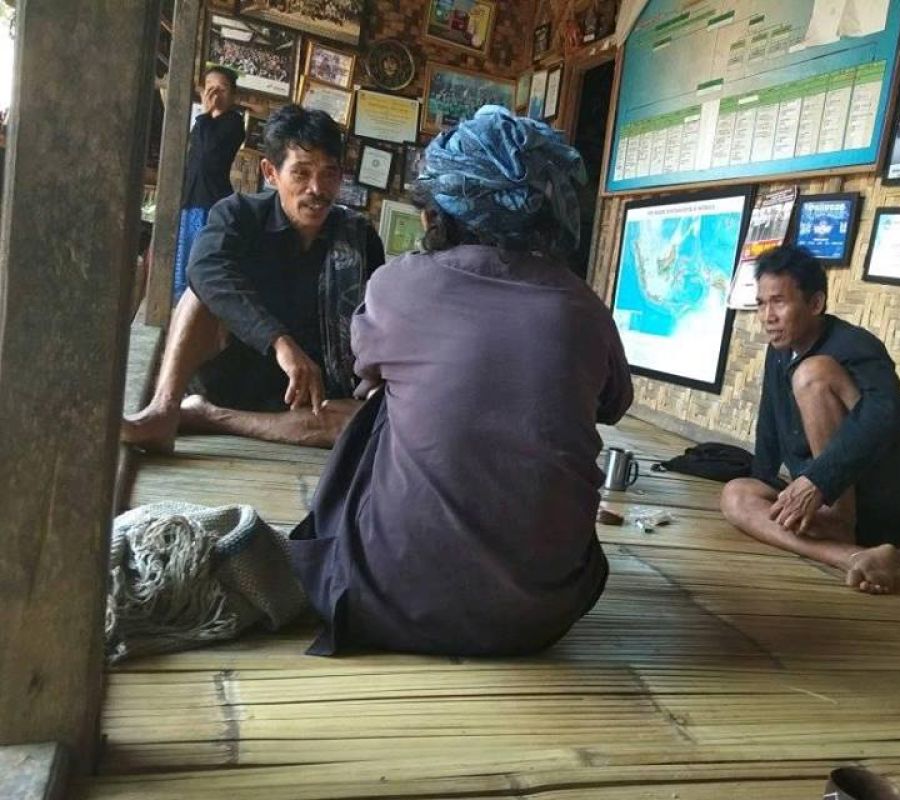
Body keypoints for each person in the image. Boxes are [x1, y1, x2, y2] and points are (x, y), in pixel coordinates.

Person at [288, 106, 633, 656]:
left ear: (439, 210)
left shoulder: (397, 285)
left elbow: (365, 372)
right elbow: (612, 405)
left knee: (379, 407)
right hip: (541, 613)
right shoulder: (585, 307)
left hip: (389, 596)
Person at [123, 105, 385, 452]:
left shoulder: (360, 239)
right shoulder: (239, 215)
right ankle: (164, 410)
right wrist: (279, 342)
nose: (317, 189)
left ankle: (208, 417)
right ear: (271, 173)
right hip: (232, 377)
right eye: (301, 173)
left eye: (329, 173)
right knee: (200, 292)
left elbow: (379, 319)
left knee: (365, 423)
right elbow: (204, 268)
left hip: (306, 404)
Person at [720, 245, 900, 594]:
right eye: (761, 304)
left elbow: (884, 413)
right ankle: (853, 556)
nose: (767, 315)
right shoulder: (778, 352)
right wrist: (762, 482)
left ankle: (840, 523)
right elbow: (770, 420)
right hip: (839, 500)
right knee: (735, 496)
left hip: (896, 492)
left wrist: (818, 482)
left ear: (815, 304)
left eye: (779, 301)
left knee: (814, 373)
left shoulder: (855, 344)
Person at [174, 66, 246, 303]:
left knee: (197, 264)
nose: (215, 94)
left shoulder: (234, 123)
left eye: (222, 89)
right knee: (179, 264)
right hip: (189, 198)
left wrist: (207, 114)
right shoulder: (202, 123)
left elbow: (208, 155)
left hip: (210, 202)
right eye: (210, 88)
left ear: (233, 95)